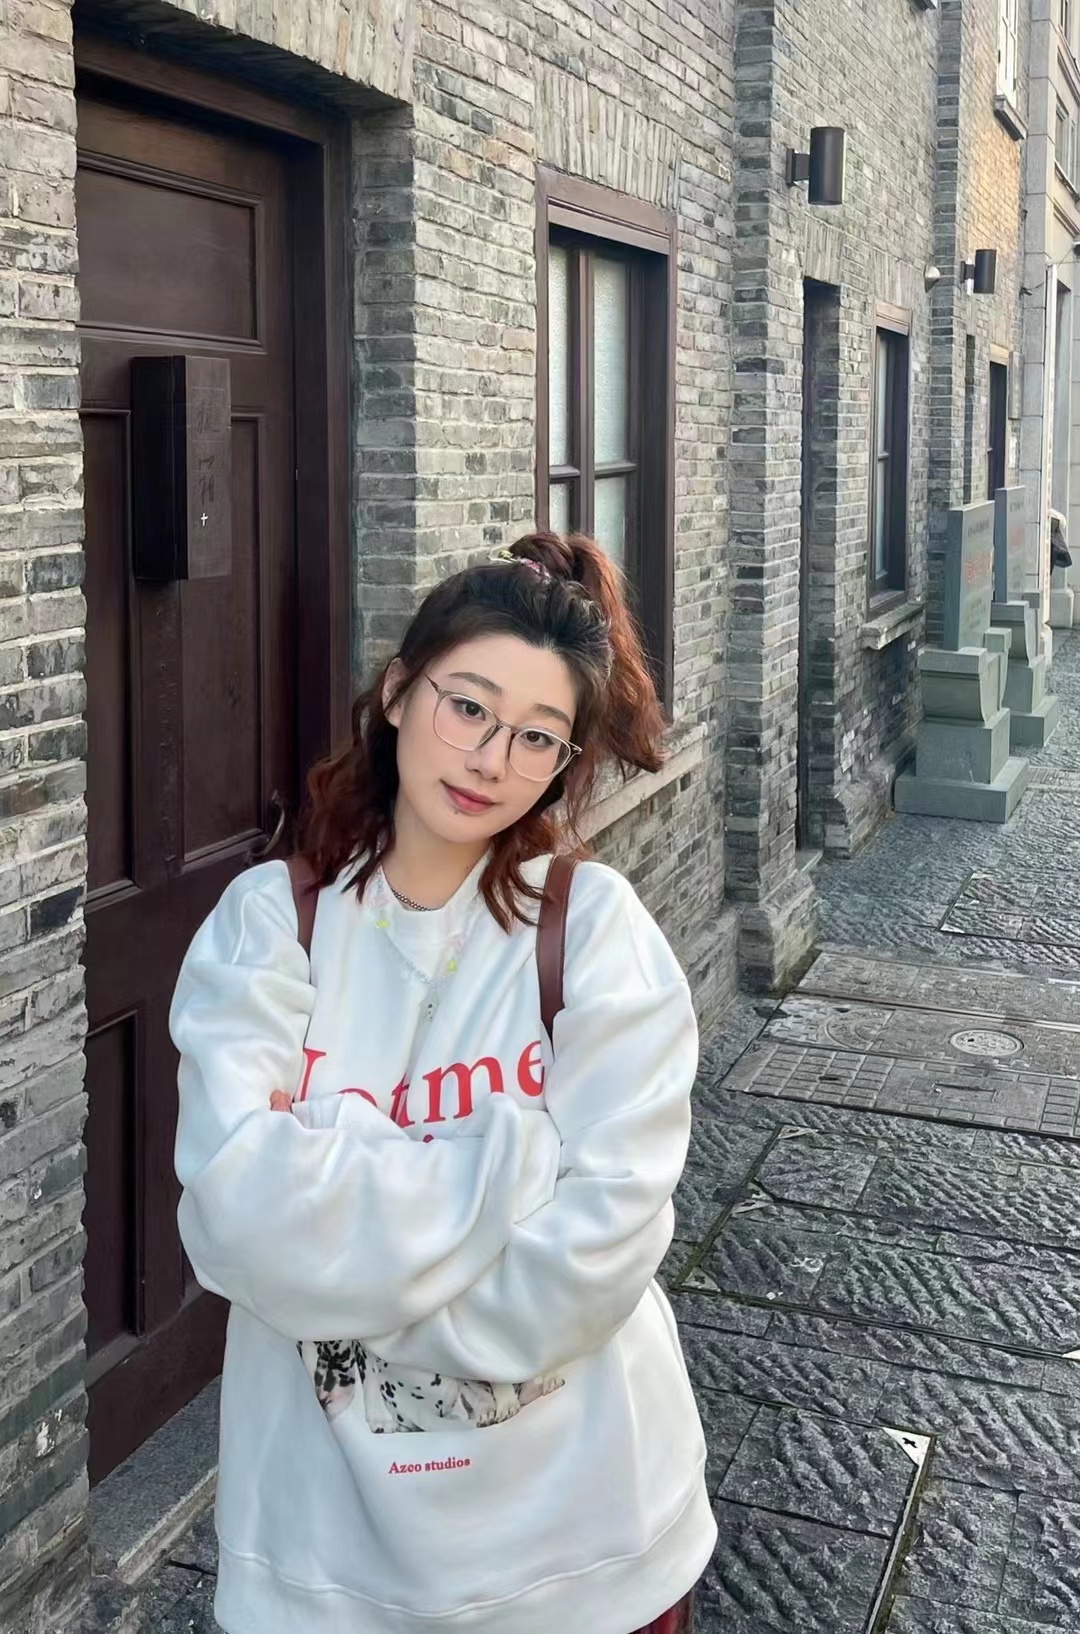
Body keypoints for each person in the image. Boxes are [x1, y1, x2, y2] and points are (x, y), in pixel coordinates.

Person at [170, 531, 716, 1634]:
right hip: (330, 1557)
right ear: (397, 691)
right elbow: (235, 1213)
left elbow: (599, 1253)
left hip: (585, 1542)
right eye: (467, 706)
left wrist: (342, 1268)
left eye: (537, 736)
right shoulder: (270, 930)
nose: (491, 759)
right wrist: (509, 1169)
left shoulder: (594, 934)